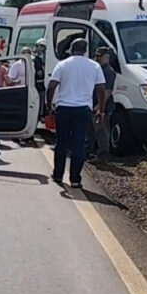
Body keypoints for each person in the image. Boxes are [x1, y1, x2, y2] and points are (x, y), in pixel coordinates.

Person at [46, 39, 107, 188]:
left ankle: (58, 175)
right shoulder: (94, 66)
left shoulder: (62, 64)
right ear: (85, 50)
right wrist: (101, 109)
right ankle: (75, 179)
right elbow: (101, 89)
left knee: (61, 143)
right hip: (83, 109)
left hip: (63, 108)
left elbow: (51, 86)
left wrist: (49, 105)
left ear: (71, 49)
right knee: (78, 144)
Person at [89, 47, 117, 161]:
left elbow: (108, 91)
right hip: (94, 104)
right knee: (92, 131)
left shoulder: (108, 72)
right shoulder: (97, 69)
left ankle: (103, 155)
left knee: (102, 131)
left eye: (100, 56)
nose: (97, 58)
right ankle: (91, 153)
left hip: (103, 107)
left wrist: (99, 107)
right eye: (96, 56)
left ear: (107, 57)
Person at [34, 39, 48, 119]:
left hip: (43, 82)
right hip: (39, 83)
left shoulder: (44, 58)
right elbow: (40, 73)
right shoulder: (37, 59)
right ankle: (40, 114)